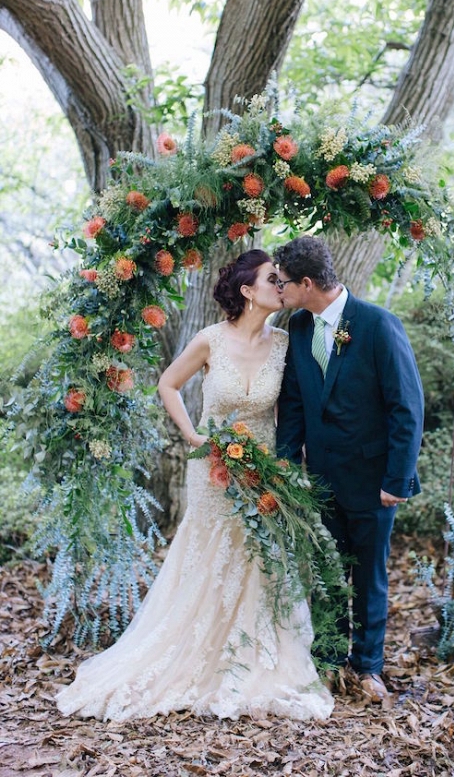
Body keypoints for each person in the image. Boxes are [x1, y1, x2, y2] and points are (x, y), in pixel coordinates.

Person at [56, 249, 334, 722]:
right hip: (212, 468)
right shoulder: (211, 340)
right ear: (247, 291)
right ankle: (193, 651)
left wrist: (291, 463)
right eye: (272, 279)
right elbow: (167, 384)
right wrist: (192, 433)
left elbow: (292, 409)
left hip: (263, 466)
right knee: (210, 553)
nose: (281, 285)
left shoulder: (288, 343)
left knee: (259, 559)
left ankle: (250, 655)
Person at [274, 236, 424, 704]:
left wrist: (397, 480)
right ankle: (332, 659)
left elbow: (407, 407)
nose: (277, 289)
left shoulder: (378, 325)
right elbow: (294, 402)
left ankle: (369, 667)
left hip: (373, 480)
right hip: (320, 478)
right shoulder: (299, 327)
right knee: (329, 571)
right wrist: (285, 465)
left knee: (369, 576)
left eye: (283, 282)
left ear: (306, 282)